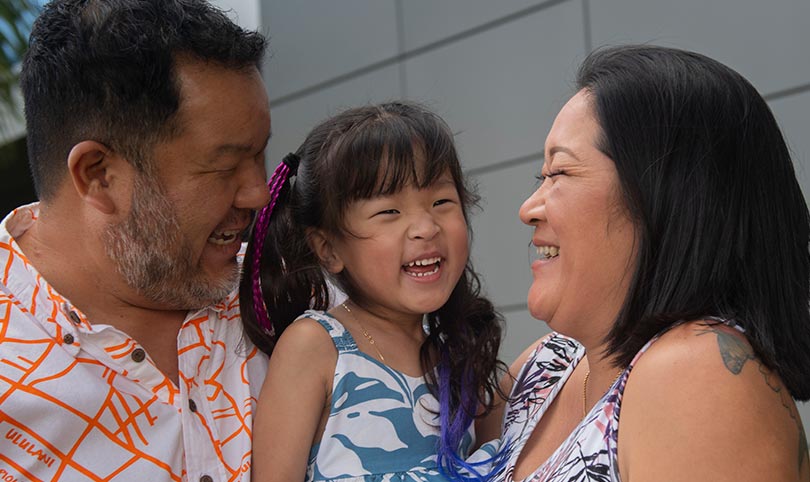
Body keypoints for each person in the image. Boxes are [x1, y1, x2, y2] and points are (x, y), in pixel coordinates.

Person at [478, 45, 810, 481]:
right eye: (540, 177)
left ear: (662, 195)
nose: (529, 208)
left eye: (559, 173)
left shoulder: (698, 371)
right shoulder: (547, 366)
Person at [0, 1, 271, 480]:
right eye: (225, 167)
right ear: (98, 175)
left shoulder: (288, 290)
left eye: (259, 156)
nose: (259, 192)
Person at [240, 102, 508, 481]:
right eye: (389, 212)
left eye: (441, 202)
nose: (425, 227)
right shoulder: (317, 347)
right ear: (328, 249)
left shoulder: (455, 352)